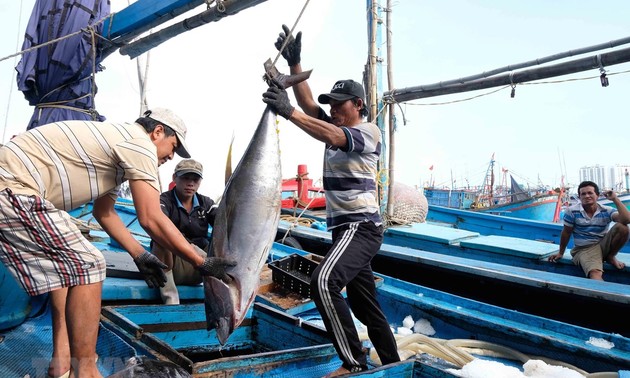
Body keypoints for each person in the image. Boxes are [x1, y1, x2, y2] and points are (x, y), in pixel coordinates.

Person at [0, 108, 236, 378]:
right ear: (157, 132)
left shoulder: (116, 158)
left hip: (12, 187)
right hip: (12, 186)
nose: (171, 156)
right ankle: (86, 371)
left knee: (68, 269)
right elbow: (150, 217)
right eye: (173, 146)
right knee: (89, 263)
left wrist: (139, 254)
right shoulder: (137, 142)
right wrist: (201, 262)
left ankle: (62, 362)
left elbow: (105, 213)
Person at [262, 25, 400, 377]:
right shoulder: (334, 127)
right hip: (344, 232)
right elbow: (310, 107)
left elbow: (330, 131)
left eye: (340, 105)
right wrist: (296, 66)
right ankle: (393, 365)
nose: (333, 109)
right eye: (332, 105)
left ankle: (353, 363)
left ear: (358, 105)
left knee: (323, 282)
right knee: (365, 306)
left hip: (361, 227)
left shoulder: (367, 132)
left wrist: (288, 112)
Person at [152, 158, 216, 304]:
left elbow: (223, 222)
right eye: (185, 178)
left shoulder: (206, 203)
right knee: (161, 238)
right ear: (175, 178)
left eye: (195, 180)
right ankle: (170, 298)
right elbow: (159, 224)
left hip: (204, 268)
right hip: (173, 267)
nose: (190, 183)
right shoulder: (163, 200)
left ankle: (221, 293)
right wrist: (193, 251)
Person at [548, 180, 629, 280]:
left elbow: (627, 220)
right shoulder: (572, 211)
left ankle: (611, 256)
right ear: (580, 197)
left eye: (590, 193)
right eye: (583, 194)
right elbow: (566, 233)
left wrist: (615, 199)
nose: (587, 196)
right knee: (595, 273)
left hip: (602, 246)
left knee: (623, 227)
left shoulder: (606, 210)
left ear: (597, 195)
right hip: (584, 249)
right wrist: (561, 252)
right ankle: (601, 294)